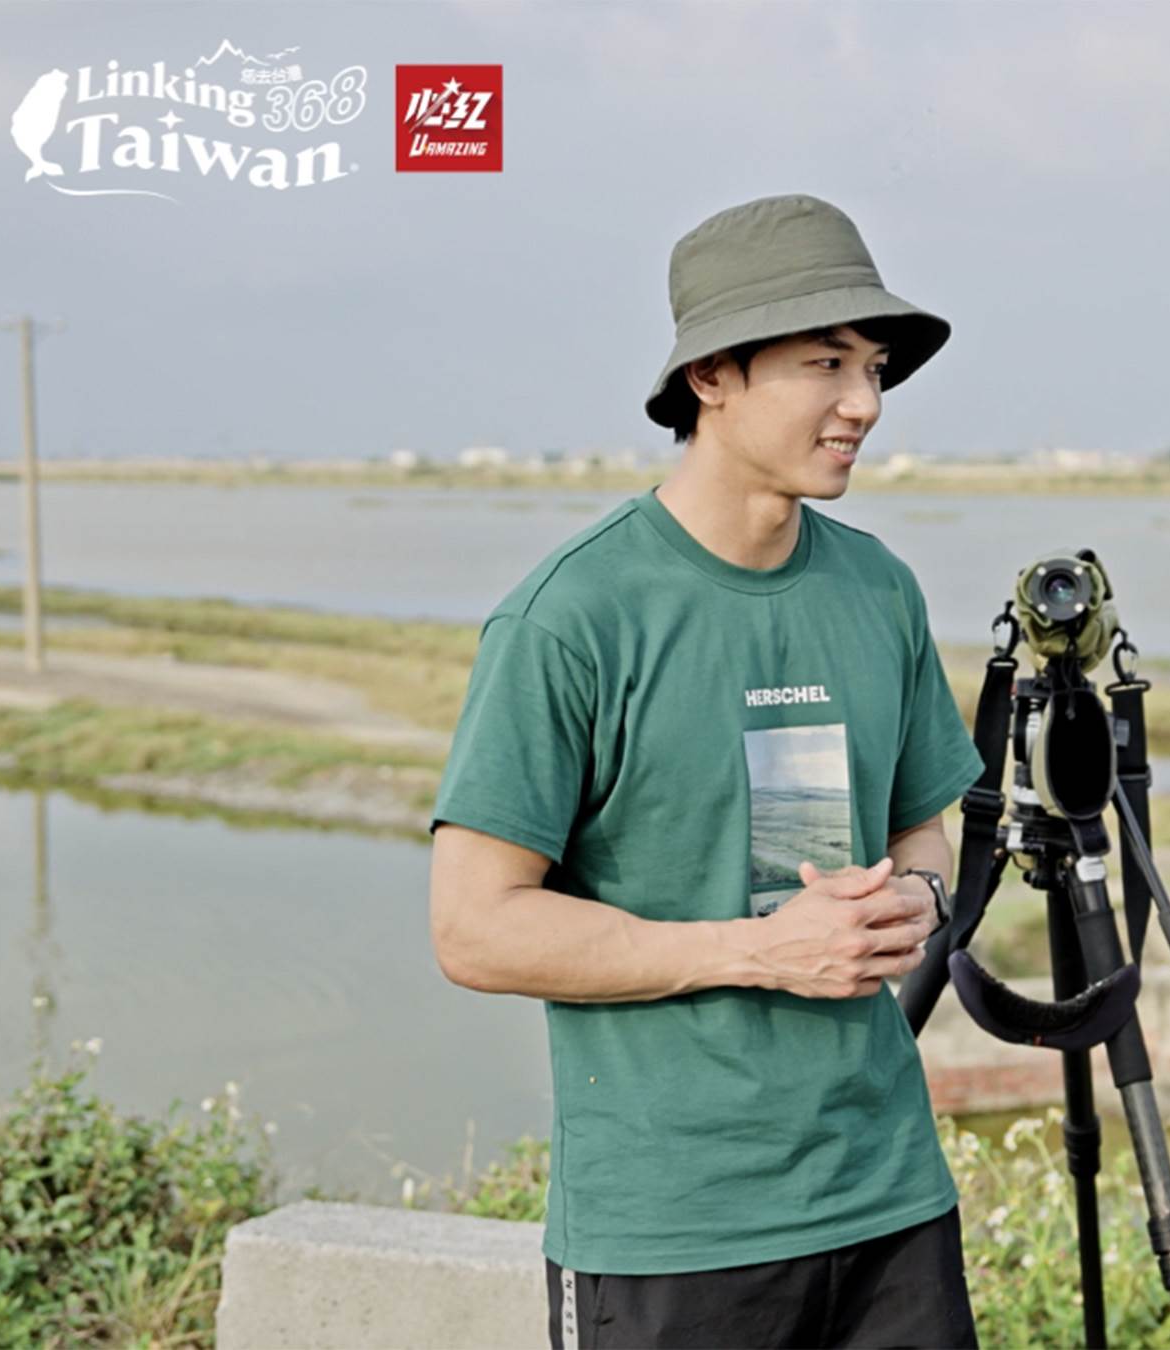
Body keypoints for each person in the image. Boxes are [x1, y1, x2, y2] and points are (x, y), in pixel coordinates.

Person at [427, 194, 985, 1349]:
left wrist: (919, 899)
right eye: (824, 362)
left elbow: (931, 828)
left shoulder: (876, 589)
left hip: (889, 1202)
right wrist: (754, 950)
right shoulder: (571, 616)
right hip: (672, 1233)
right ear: (712, 377)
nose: (865, 404)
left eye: (875, 366)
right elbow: (474, 930)